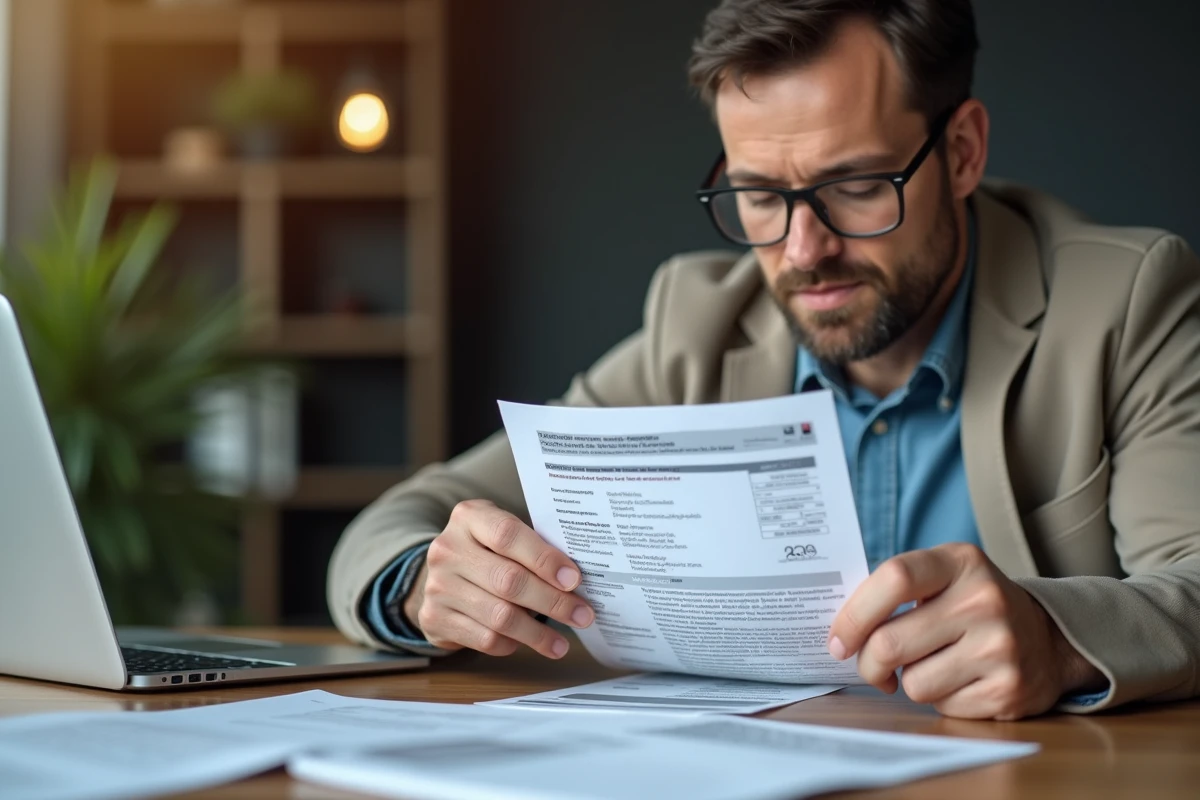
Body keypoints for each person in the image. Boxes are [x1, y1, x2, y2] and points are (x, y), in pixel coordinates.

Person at [328, 0, 1200, 720]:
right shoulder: (701, 323)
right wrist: (424, 585)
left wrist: (1055, 637)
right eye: (757, 195)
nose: (801, 250)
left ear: (963, 151)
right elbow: (394, 526)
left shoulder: (1125, 304)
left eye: (856, 186)